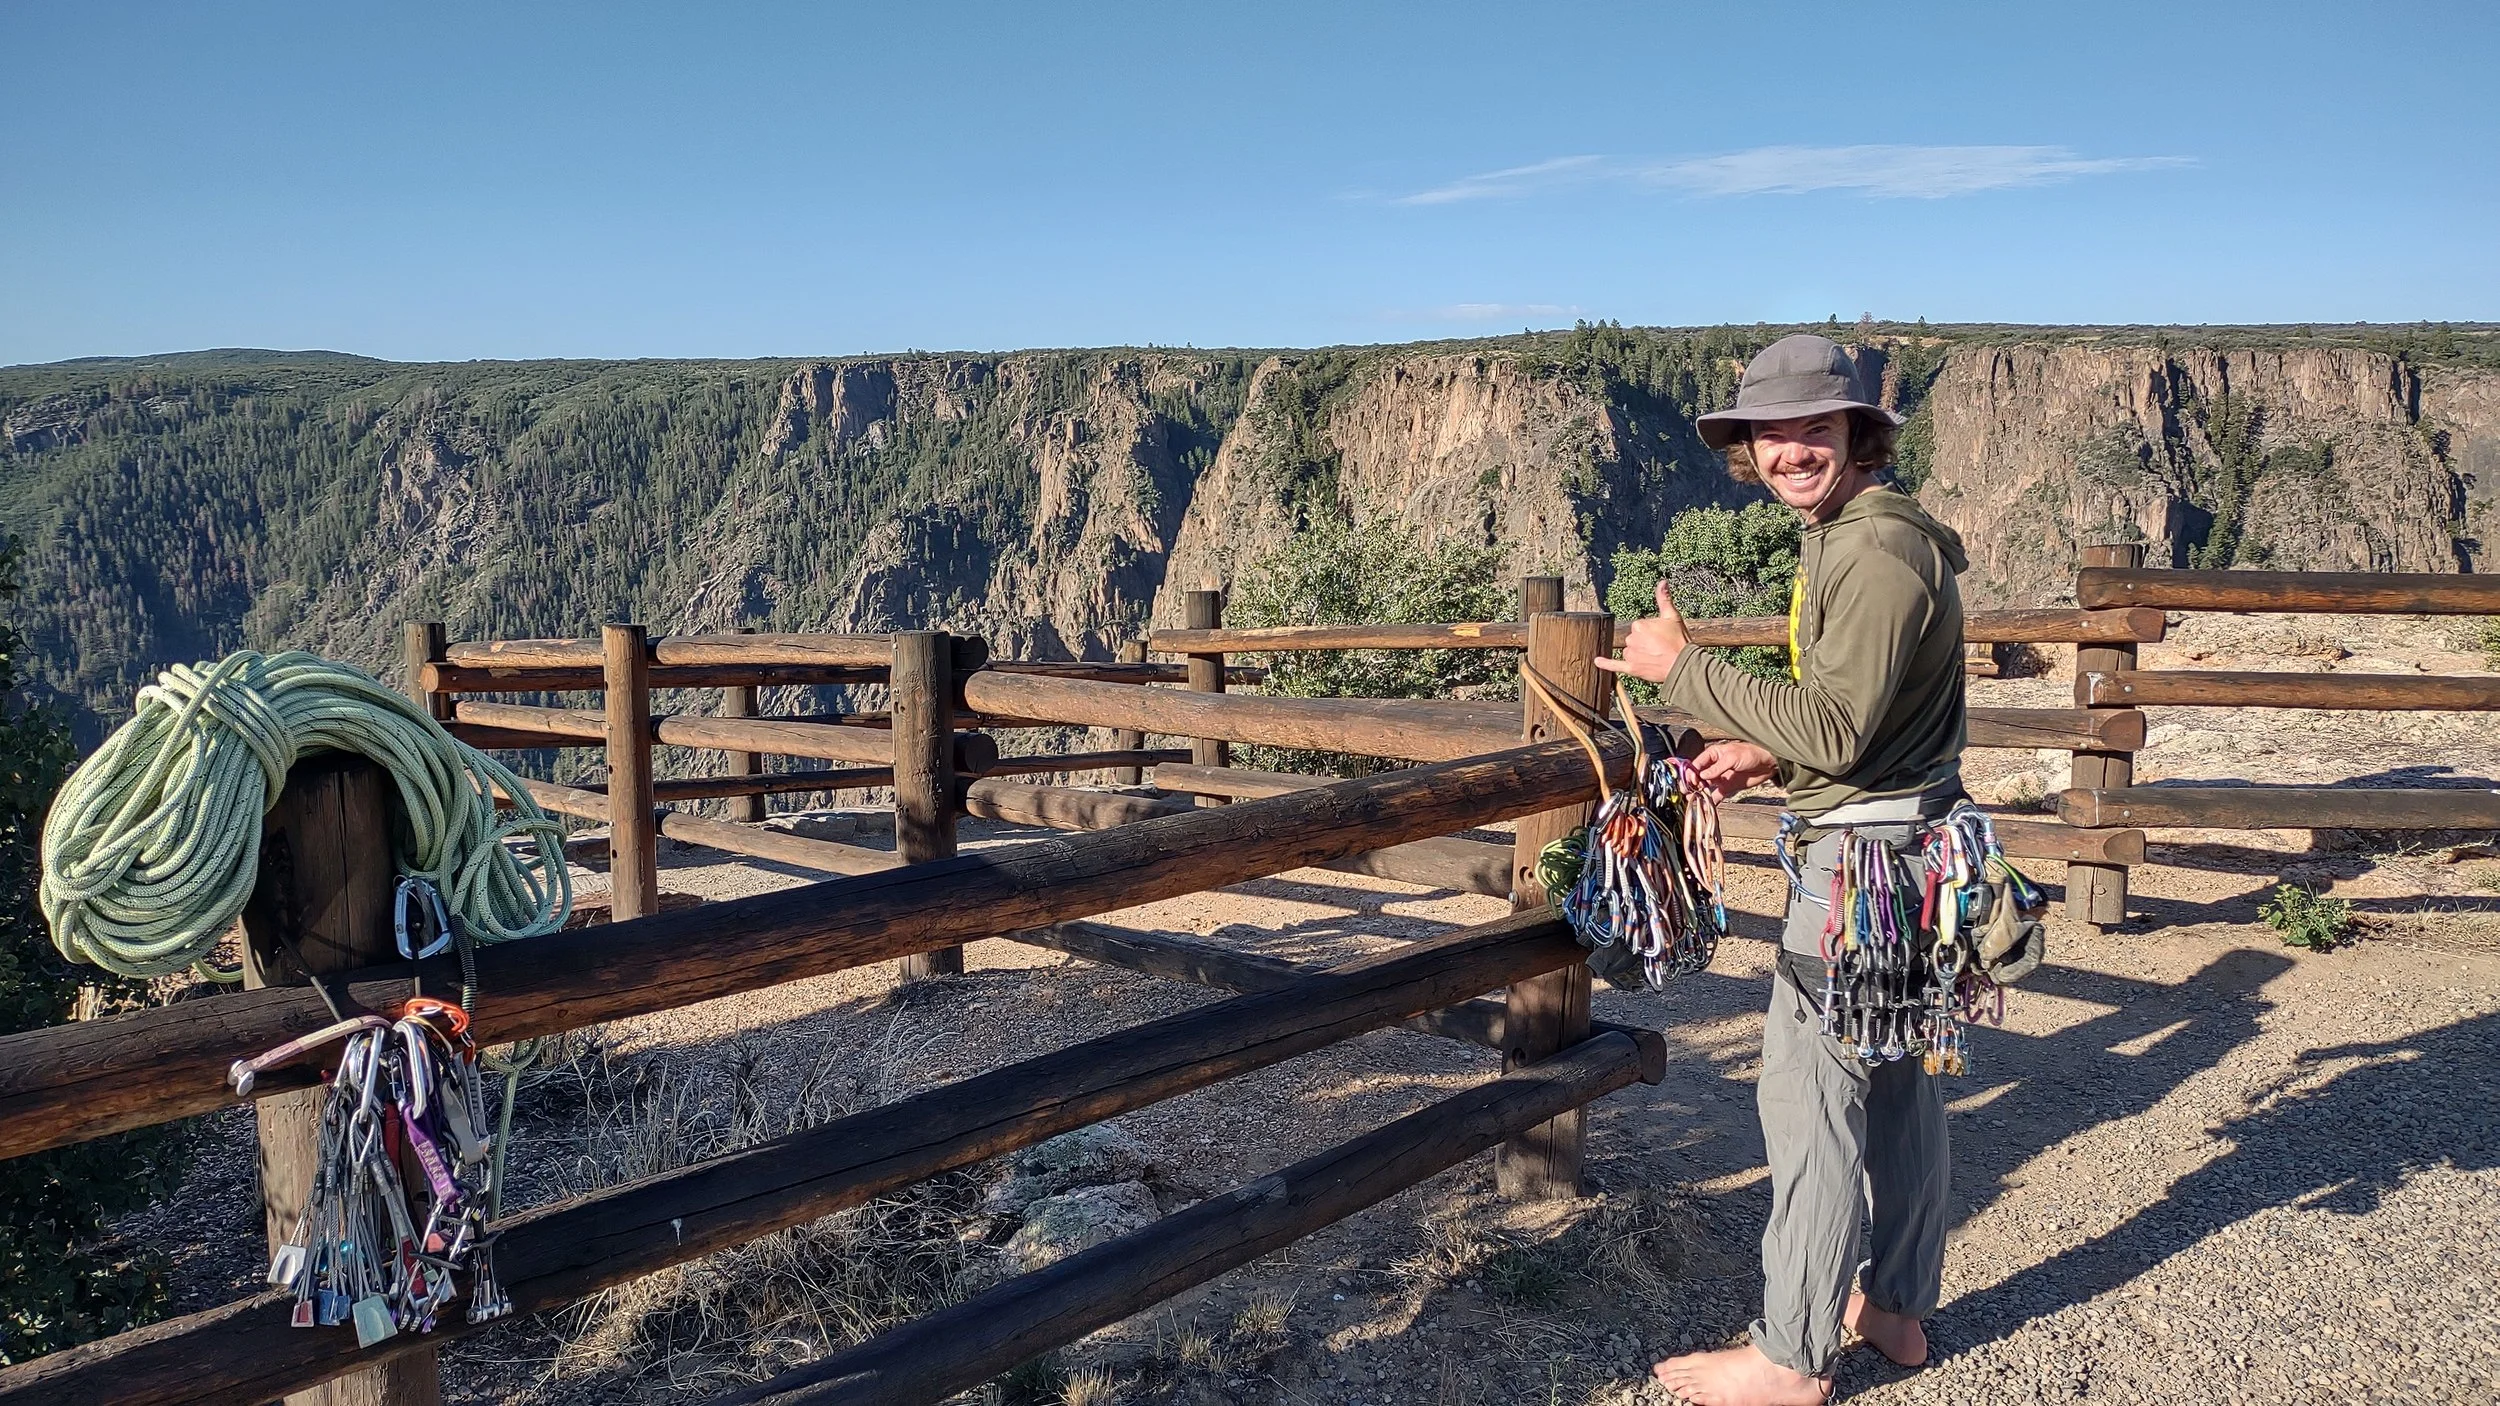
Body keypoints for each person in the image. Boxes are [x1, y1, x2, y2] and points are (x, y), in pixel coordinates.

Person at [1596, 333, 1971, 1406]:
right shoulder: (1865, 535)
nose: (1791, 449)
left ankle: (1791, 1352)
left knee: (1809, 1102)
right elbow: (1868, 718)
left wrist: (1690, 671)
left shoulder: (1868, 551)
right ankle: (1894, 1308)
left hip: (1861, 867)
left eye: (1815, 426)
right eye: (1771, 431)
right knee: (1896, 1086)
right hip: (1909, 850)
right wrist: (1770, 748)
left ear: (1858, 433)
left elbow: (1844, 729)